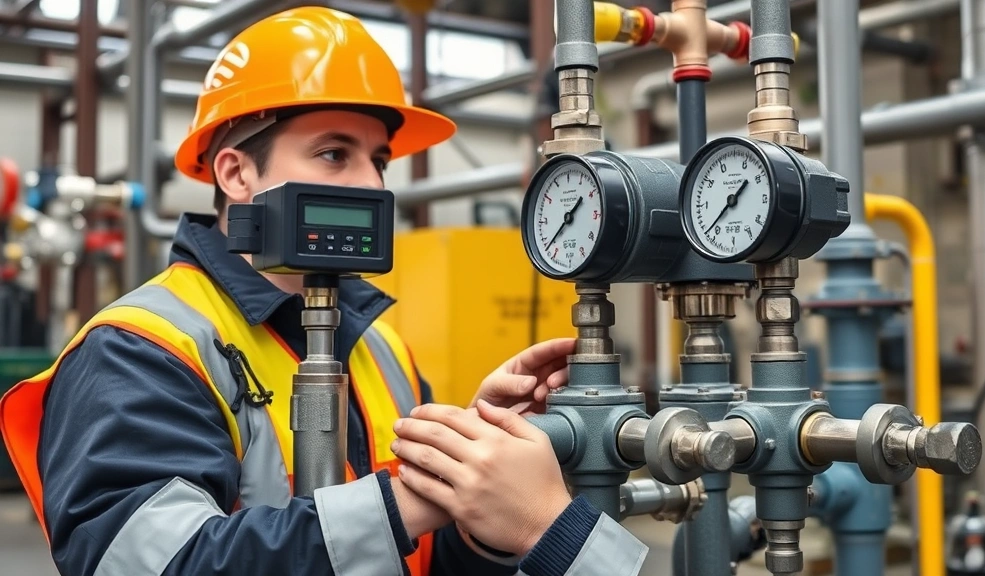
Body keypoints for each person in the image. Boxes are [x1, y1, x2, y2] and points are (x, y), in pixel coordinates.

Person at [0, 6, 649, 576]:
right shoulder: (139, 349)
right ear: (236, 173)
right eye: (335, 153)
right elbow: (150, 563)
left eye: (380, 160)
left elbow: (421, 561)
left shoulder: (381, 345)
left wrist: (477, 498)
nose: (371, 185)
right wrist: (412, 498)